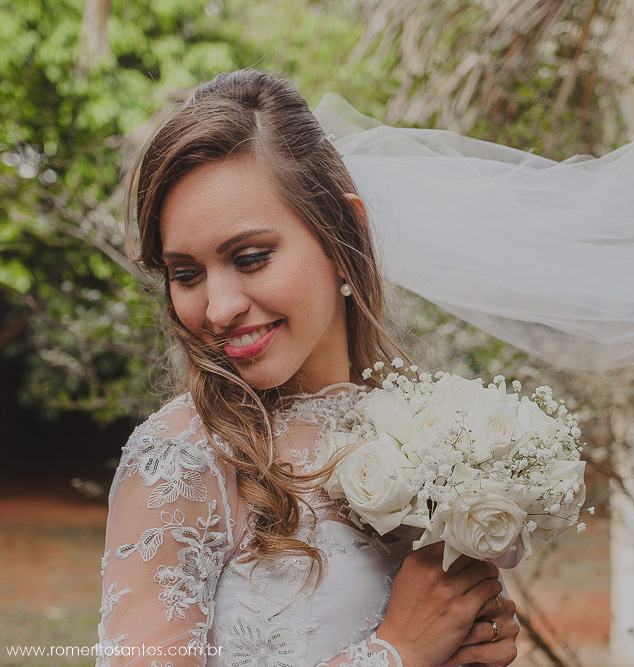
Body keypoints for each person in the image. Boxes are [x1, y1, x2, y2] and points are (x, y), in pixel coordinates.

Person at [98, 69, 519, 667]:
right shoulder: (180, 462)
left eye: (249, 258)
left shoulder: (433, 431)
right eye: (186, 274)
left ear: (345, 235)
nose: (217, 309)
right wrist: (393, 654)